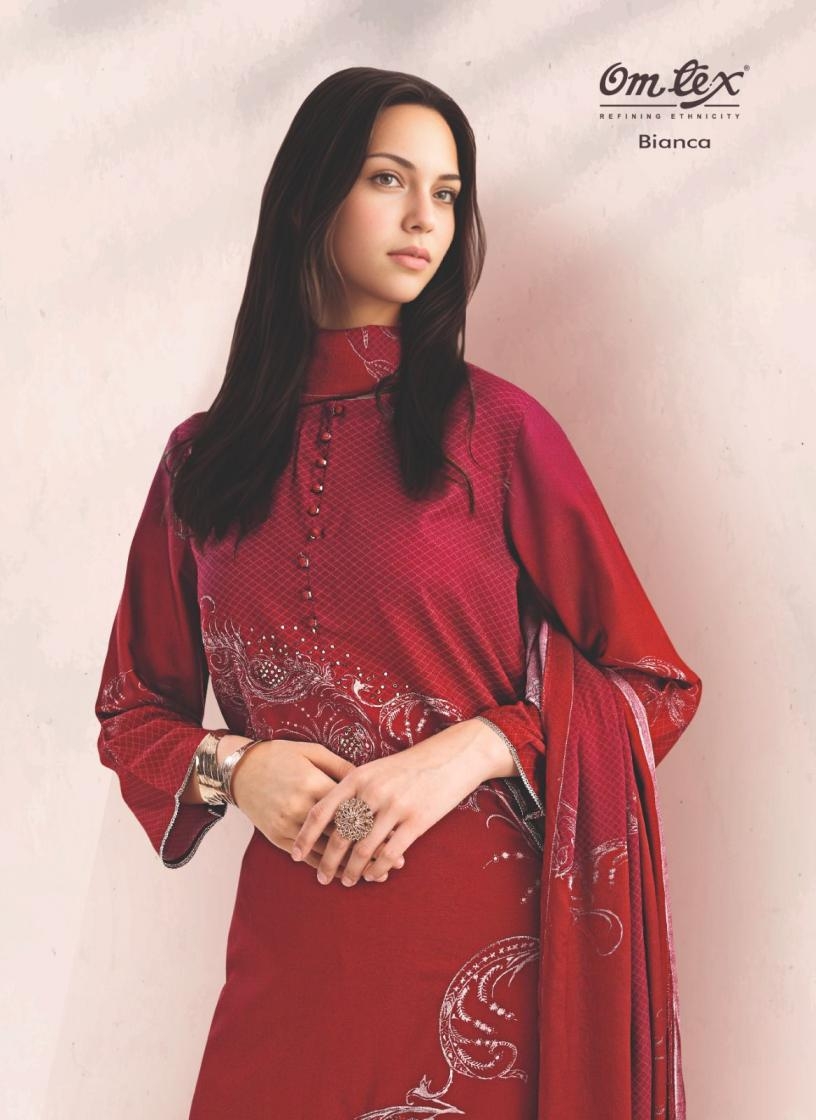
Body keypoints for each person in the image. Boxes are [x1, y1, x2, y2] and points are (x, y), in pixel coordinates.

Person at [94, 67, 702, 1120]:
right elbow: (130, 712)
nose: (427, 217)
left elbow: (655, 682)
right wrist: (237, 767)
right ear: (309, 197)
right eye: (389, 179)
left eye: (448, 193)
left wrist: (471, 747)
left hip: (488, 966)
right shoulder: (203, 463)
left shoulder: (496, 432)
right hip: (293, 958)